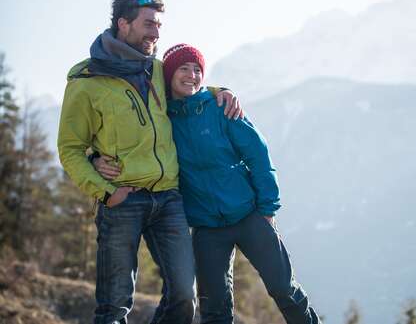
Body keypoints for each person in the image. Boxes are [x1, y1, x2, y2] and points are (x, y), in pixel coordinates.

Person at [95, 43, 322, 324]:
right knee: (214, 310)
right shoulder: (162, 119)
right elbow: (127, 137)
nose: (192, 75)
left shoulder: (220, 107)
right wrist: (95, 157)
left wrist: (267, 207)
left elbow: (258, 153)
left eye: (197, 69)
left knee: (284, 289)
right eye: (184, 68)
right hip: (206, 230)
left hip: (250, 215)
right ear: (168, 75)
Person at [57, 0, 241, 324]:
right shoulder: (86, 80)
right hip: (121, 199)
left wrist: (220, 91)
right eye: (148, 24)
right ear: (122, 23)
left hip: (169, 199)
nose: (156, 33)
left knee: (184, 297)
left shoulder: (157, 70)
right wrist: (105, 191)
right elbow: (70, 148)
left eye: (159, 25)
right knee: (113, 307)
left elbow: (190, 88)